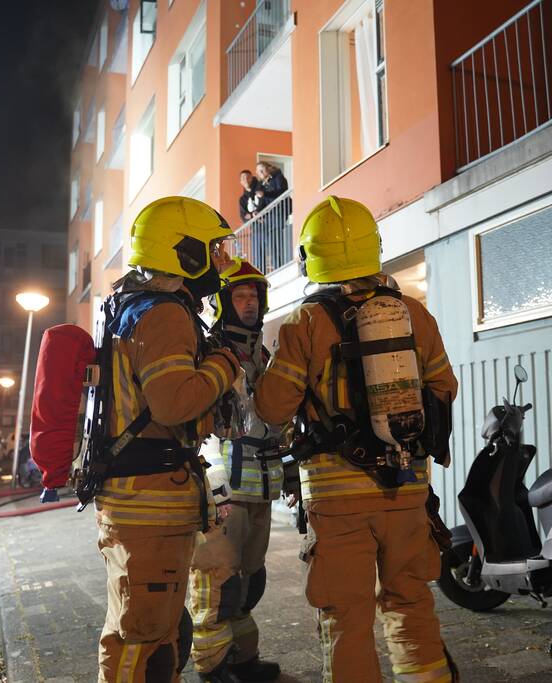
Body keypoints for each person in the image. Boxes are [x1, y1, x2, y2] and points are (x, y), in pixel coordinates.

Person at [253, 196, 459, 682]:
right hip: (406, 488)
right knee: (411, 601)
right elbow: (444, 389)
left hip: (337, 497)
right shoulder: (413, 314)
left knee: (346, 616)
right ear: (374, 247)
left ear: (310, 258)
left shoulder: (304, 323)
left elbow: (272, 408)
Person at [94, 196, 242, 682]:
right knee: (142, 639)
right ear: (186, 254)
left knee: (152, 636)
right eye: (213, 250)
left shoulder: (132, 306)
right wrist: (225, 362)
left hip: (141, 499)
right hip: (149, 506)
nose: (221, 260)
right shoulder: (163, 314)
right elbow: (174, 404)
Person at [188, 259, 283, 683]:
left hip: (261, 484)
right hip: (223, 485)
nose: (249, 303)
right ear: (224, 303)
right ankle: (212, 666)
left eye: (253, 296)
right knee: (218, 581)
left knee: (250, 581)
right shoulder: (210, 351)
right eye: (240, 296)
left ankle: (243, 659)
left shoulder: (262, 353)